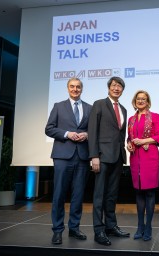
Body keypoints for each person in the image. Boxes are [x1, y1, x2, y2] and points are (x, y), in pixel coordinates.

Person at [45, 77, 92, 245]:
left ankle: (74, 228)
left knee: (78, 195)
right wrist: (67, 134)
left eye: (78, 87)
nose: (75, 89)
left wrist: (87, 134)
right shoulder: (58, 106)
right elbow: (49, 129)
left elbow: (93, 130)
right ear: (67, 88)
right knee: (58, 194)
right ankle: (57, 230)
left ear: (82, 89)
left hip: (82, 156)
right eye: (72, 86)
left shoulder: (90, 108)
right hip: (62, 156)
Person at [88, 76, 130, 246]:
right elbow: (92, 131)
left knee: (112, 195)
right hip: (102, 156)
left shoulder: (124, 109)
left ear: (122, 90)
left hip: (118, 156)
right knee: (99, 195)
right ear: (108, 87)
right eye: (114, 85)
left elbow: (120, 134)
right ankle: (99, 230)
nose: (116, 88)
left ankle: (111, 226)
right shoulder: (99, 104)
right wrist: (94, 156)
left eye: (119, 86)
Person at [126, 90, 159, 241]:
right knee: (138, 192)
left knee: (149, 193)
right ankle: (140, 226)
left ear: (148, 102)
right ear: (135, 101)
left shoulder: (154, 116)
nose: (141, 101)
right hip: (136, 158)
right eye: (138, 99)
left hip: (150, 157)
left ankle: (148, 226)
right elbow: (130, 138)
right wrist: (129, 144)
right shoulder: (131, 119)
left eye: (143, 99)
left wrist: (144, 141)